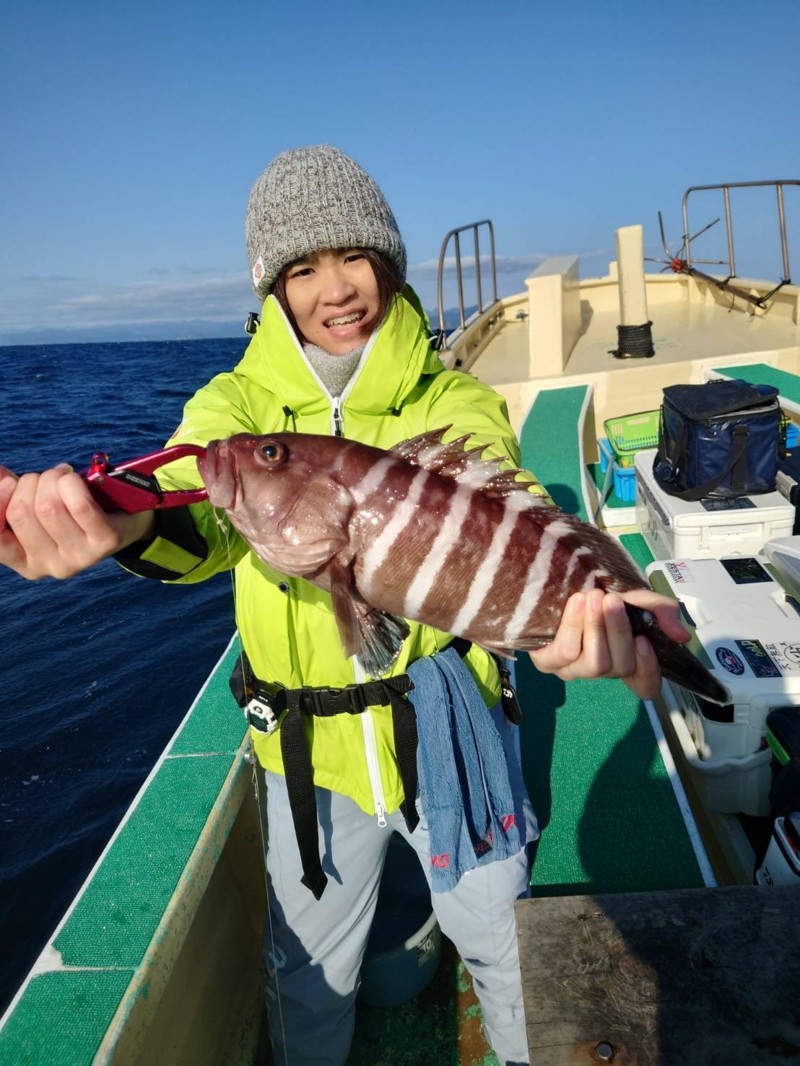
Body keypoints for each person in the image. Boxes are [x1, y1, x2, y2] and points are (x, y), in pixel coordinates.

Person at [0, 145, 687, 1066]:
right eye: (303, 267)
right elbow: (195, 514)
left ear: (390, 265)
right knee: (310, 964)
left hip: (453, 728)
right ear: (273, 288)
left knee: (502, 938)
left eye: (356, 256)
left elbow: (505, 490)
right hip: (306, 750)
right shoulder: (234, 405)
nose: (338, 288)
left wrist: (580, 621)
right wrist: (115, 523)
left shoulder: (452, 395)